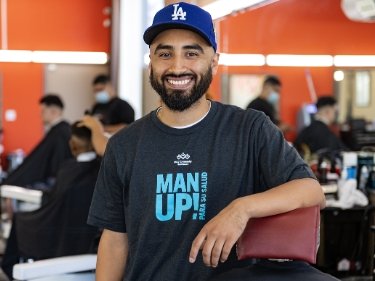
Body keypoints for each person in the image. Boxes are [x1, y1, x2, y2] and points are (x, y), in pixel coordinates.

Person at [87, 2, 325, 281]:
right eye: (165, 53)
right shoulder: (124, 145)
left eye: (192, 53)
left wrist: (241, 209)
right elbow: (115, 242)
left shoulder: (250, 129)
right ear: (151, 61)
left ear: (213, 61)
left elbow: (311, 191)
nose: (177, 67)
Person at [1, 122, 101, 279]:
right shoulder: (101, 168)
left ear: (72, 144)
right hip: (91, 238)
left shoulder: (68, 169)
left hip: (62, 231)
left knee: (21, 220)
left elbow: (55, 199)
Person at [2, 94, 72, 190]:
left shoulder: (60, 133)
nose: (40, 115)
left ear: (54, 111)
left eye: (43, 111)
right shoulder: (58, 131)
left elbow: (52, 164)